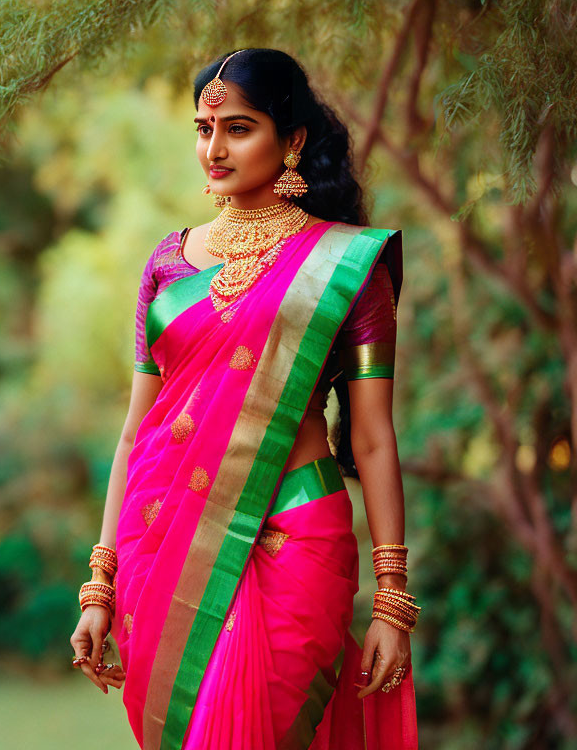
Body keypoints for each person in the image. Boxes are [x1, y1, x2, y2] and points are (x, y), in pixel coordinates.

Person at [70, 48, 420, 750]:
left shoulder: (347, 266)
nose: (215, 148)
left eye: (238, 127)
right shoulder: (168, 265)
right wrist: (100, 582)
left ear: (291, 141)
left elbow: (375, 439)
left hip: (297, 533)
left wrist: (391, 598)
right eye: (204, 128)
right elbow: (136, 432)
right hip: (165, 536)